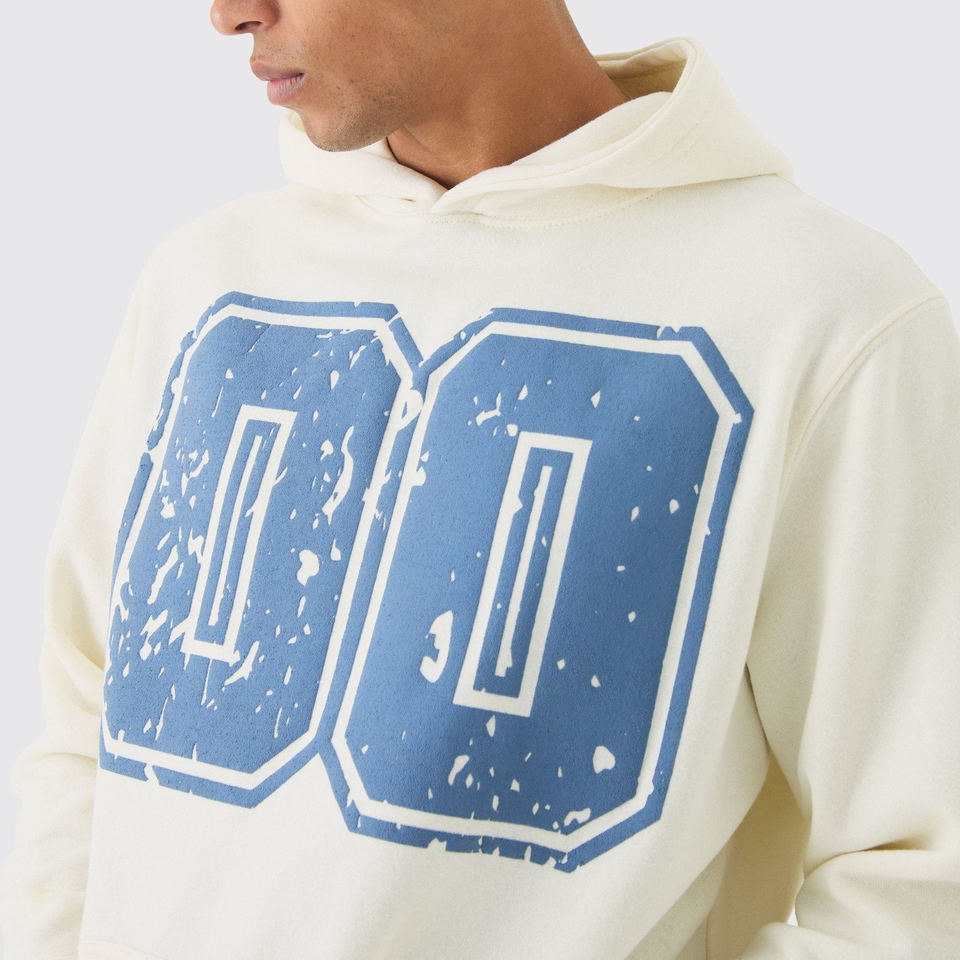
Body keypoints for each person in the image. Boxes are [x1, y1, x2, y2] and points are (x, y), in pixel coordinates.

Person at [2, 0, 958, 957]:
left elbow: (920, 878)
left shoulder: (825, 318)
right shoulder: (208, 280)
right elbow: (86, 725)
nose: (230, 15)